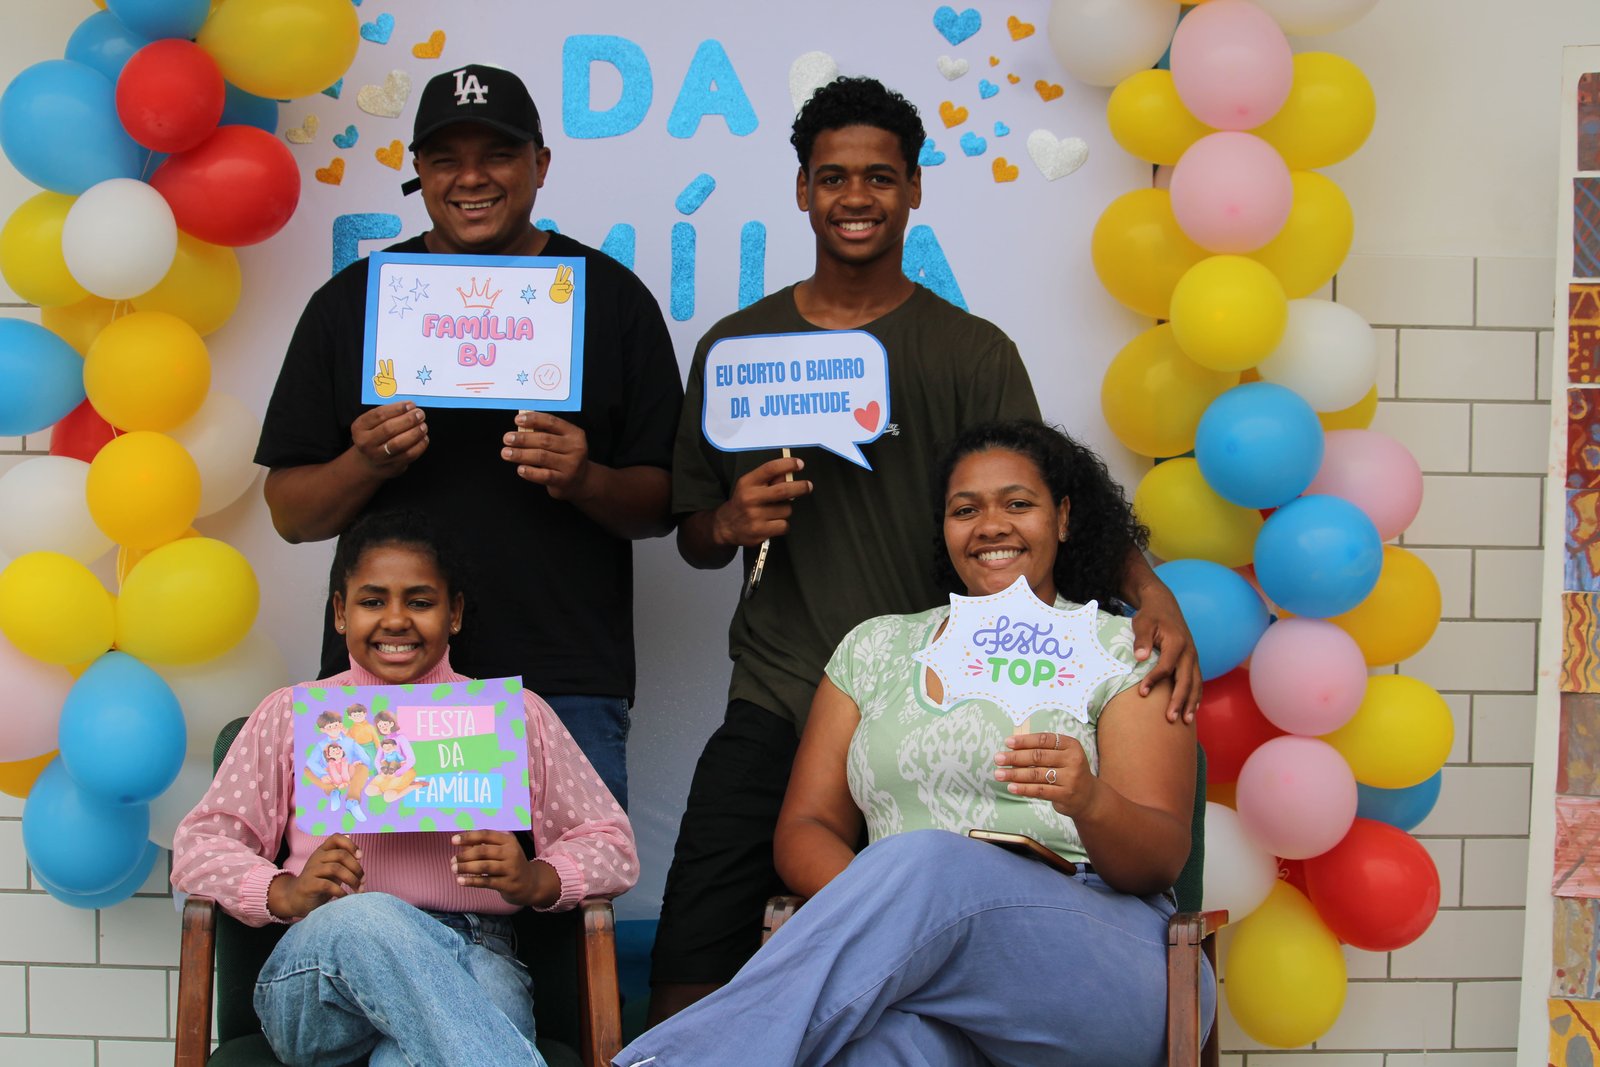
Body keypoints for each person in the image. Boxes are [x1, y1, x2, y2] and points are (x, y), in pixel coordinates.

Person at [648, 75, 1202, 1021]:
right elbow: (694, 536)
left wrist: (1151, 589)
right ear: (800, 191)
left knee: (948, 922)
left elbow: (1040, 497)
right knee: (694, 938)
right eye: (831, 178)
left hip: (935, 689)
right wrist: (730, 522)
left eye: (878, 178)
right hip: (786, 680)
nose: (854, 198)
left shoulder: (970, 351)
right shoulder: (736, 349)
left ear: (913, 189)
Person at [618, 420, 1211, 1067]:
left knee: (933, 862)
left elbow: (1159, 860)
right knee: (877, 1049)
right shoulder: (874, 646)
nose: (991, 525)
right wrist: (896, 916)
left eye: (1018, 503)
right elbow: (806, 825)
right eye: (966, 509)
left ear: (1064, 517)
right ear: (945, 528)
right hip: (920, 978)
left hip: (1102, 961)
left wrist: (1090, 800)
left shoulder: (1129, 650)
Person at [254, 63, 684, 808]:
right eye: (446, 158)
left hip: (563, 683)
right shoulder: (351, 304)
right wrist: (364, 462)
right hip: (383, 679)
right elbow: (291, 514)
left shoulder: (612, 300)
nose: (471, 178)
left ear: (540, 164)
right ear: (417, 170)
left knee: (564, 907)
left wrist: (585, 479)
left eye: (499, 155)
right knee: (378, 913)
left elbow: (664, 503)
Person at [171, 510, 636, 1066]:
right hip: (321, 972)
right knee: (367, 917)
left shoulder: (511, 718)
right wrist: (283, 893)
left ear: (454, 613)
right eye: (372, 601)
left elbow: (612, 844)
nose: (396, 620)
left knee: (410, 1052)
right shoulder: (291, 716)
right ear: (341, 614)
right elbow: (199, 846)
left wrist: (538, 878)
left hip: (475, 952)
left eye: (419, 601)